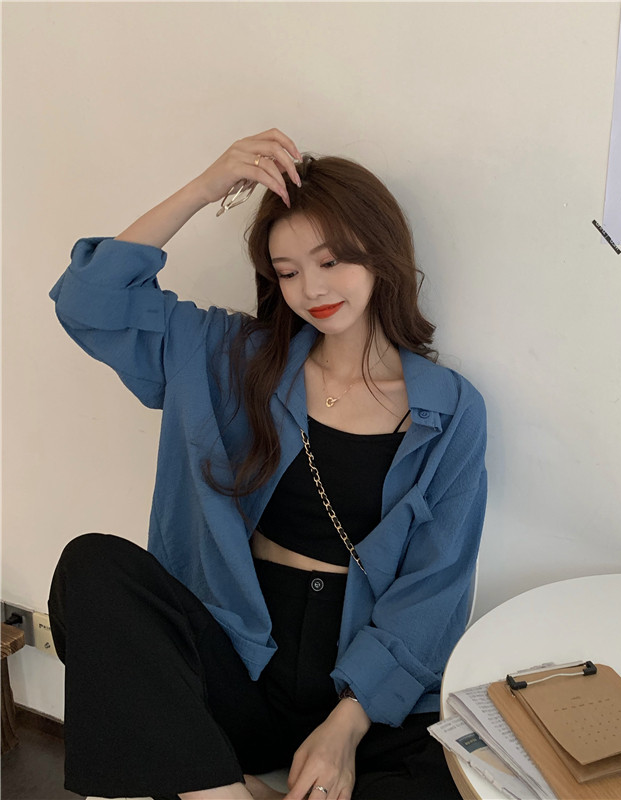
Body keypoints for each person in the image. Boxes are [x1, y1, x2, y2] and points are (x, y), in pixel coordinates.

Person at [47, 128, 487, 800]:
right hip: (242, 661)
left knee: (470, 770)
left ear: (381, 253)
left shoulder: (450, 410)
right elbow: (88, 300)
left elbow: (436, 586)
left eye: (331, 260)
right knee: (92, 567)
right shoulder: (232, 357)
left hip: (359, 681)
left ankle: (225, 781)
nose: (312, 288)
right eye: (287, 271)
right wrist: (205, 188)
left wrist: (345, 728)